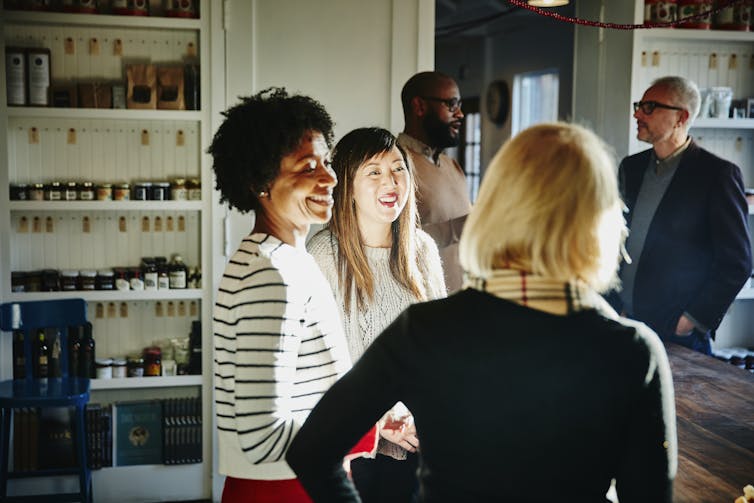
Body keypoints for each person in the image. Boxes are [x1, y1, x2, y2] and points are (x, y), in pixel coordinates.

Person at [287, 122, 677, 502]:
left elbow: (312, 450)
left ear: (493, 207)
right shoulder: (633, 351)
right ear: (602, 218)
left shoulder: (424, 329)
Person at [209, 88, 375, 503]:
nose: (330, 177)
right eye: (307, 167)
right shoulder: (270, 275)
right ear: (259, 181)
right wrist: (366, 426)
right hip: (284, 491)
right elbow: (261, 436)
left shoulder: (284, 259)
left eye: (326, 163)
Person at [308, 127, 446, 502]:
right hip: (356, 446)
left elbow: (440, 350)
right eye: (374, 172)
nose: (391, 182)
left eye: (398, 169)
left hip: (421, 441)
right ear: (347, 186)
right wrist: (380, 423)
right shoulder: (324, 255)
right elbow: (319, 364)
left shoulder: (421, 250)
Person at [608, 76, 751, 355]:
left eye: (649, 107)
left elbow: (737, 262)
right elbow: (613, 237)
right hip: (624, 322)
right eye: (639, 106)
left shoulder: (717, 175)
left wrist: (691, 320)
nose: (637, 114)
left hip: (677, 335)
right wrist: (614, 303)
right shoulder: (631, 168)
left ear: (680, 117)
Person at [397, 71, 471, 293]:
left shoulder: (453, 166)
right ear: (419, 106)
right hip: (421, 307)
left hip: (463, 302)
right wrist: (463, 226)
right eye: (451, 104)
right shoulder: (394, 164)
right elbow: (393, 242)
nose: (460, 114)